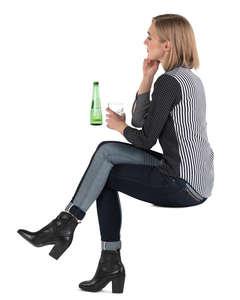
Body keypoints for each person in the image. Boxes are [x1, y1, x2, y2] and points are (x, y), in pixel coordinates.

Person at [17, 13, 215, 293]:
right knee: (106, 154)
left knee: (104, 176)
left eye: (150, 36)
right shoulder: (187, 79)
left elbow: (144, 138)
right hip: (196, 177)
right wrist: (147, 77)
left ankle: (81, 238)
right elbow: (140, 121)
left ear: (167, 45)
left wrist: (119, 127)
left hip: (183, 183)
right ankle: (74, 233)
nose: (145, 41)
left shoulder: (170, 82)